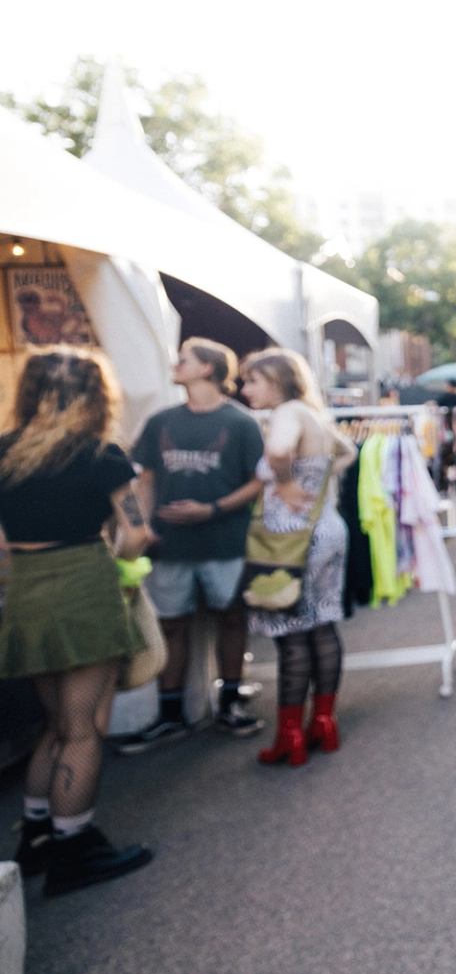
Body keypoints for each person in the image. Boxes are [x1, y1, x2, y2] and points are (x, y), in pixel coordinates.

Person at [0, 347, 156, 894]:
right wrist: (116, 570)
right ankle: (74, 850)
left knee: (54, 724)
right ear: (95, 395)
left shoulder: (3, 452)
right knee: (84, 728)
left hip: (25, 589)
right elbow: (134, 533)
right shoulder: (100, 455)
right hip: (85, 586)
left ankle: (37, 836)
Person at [118, 338, 267, 751]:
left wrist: (212, 509)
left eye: (185, 359)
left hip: (226, 542)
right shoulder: (160, 421)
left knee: (231, 619)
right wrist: (144, 528)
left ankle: (230, 703)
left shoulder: (240, 423)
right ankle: (170, 715)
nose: (175, 364)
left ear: (208, 369)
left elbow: (259, 480)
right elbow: (144, 479)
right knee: (171, 626)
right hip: (171, 545)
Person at [238, 350, 356, 767]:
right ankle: (323, 721)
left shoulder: (287, 413)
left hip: (291, 538)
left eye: (252, 380)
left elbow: (279, 451)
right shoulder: (313, 413)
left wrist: (286, 484)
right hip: (326, 528)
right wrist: (316, 479)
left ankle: (290, 733)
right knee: (322, 625)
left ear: (276, 380)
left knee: (290, 634)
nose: (245, 389)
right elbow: (348, 452)